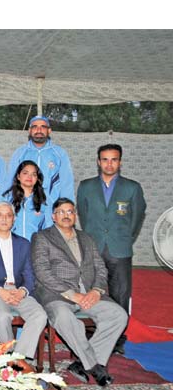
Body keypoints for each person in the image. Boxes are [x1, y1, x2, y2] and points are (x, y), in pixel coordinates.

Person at [30, 198, 127, 386]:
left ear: (75, 215)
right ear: (53, 216)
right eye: (62, 212)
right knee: (63, 317)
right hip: (57, 294)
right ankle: (94, 365)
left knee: (118, 315)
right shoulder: (42, 237)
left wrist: (97, 291)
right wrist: (72, 294)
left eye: (70, 212)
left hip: (89, 293)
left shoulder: (86, 238)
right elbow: (42, 272)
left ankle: (81, 364)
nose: (67, 216)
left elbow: (100, 267)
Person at [76, 144, 146, 354]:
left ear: (120, 162)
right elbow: (83, 214)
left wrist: (124, 238)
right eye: (105, 159)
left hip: (120, 249)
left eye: (114, 159)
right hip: (93, 248)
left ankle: (117, 340)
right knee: (91, 293)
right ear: (98, 162)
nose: (109, 163)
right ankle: (93, 332)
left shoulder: (132, 188)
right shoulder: (86, 186)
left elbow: (137, 218)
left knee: (120, 294)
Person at [0, 202, 48, 362]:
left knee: (40, 315)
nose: (4, 219)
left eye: (8, 215)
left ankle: (16, 360)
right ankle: (11, 358)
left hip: (19, 291)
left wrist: (22, 291)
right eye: (0, 215)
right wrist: (0, 291)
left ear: (14, 219)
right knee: (3, 316)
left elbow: (29, 274)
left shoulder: (23, 243)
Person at [8, 115, 74, 203]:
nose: (39, 130)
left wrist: (67, 208)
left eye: (43, 127)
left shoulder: (60, 154)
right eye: (35, 127)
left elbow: (67, 185)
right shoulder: (20, 153)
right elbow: (9, 181)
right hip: (24, 207)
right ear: (29, 130)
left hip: (51, 207)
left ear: (49, 131)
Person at [3, 160, 53, 240]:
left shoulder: (45, 200)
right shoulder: (6, 198)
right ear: (18, 176)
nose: (29, 177)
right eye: (25, 173)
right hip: (11, 246)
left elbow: (49, 227)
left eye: (34, 174)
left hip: (36, 247)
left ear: (37, 178)